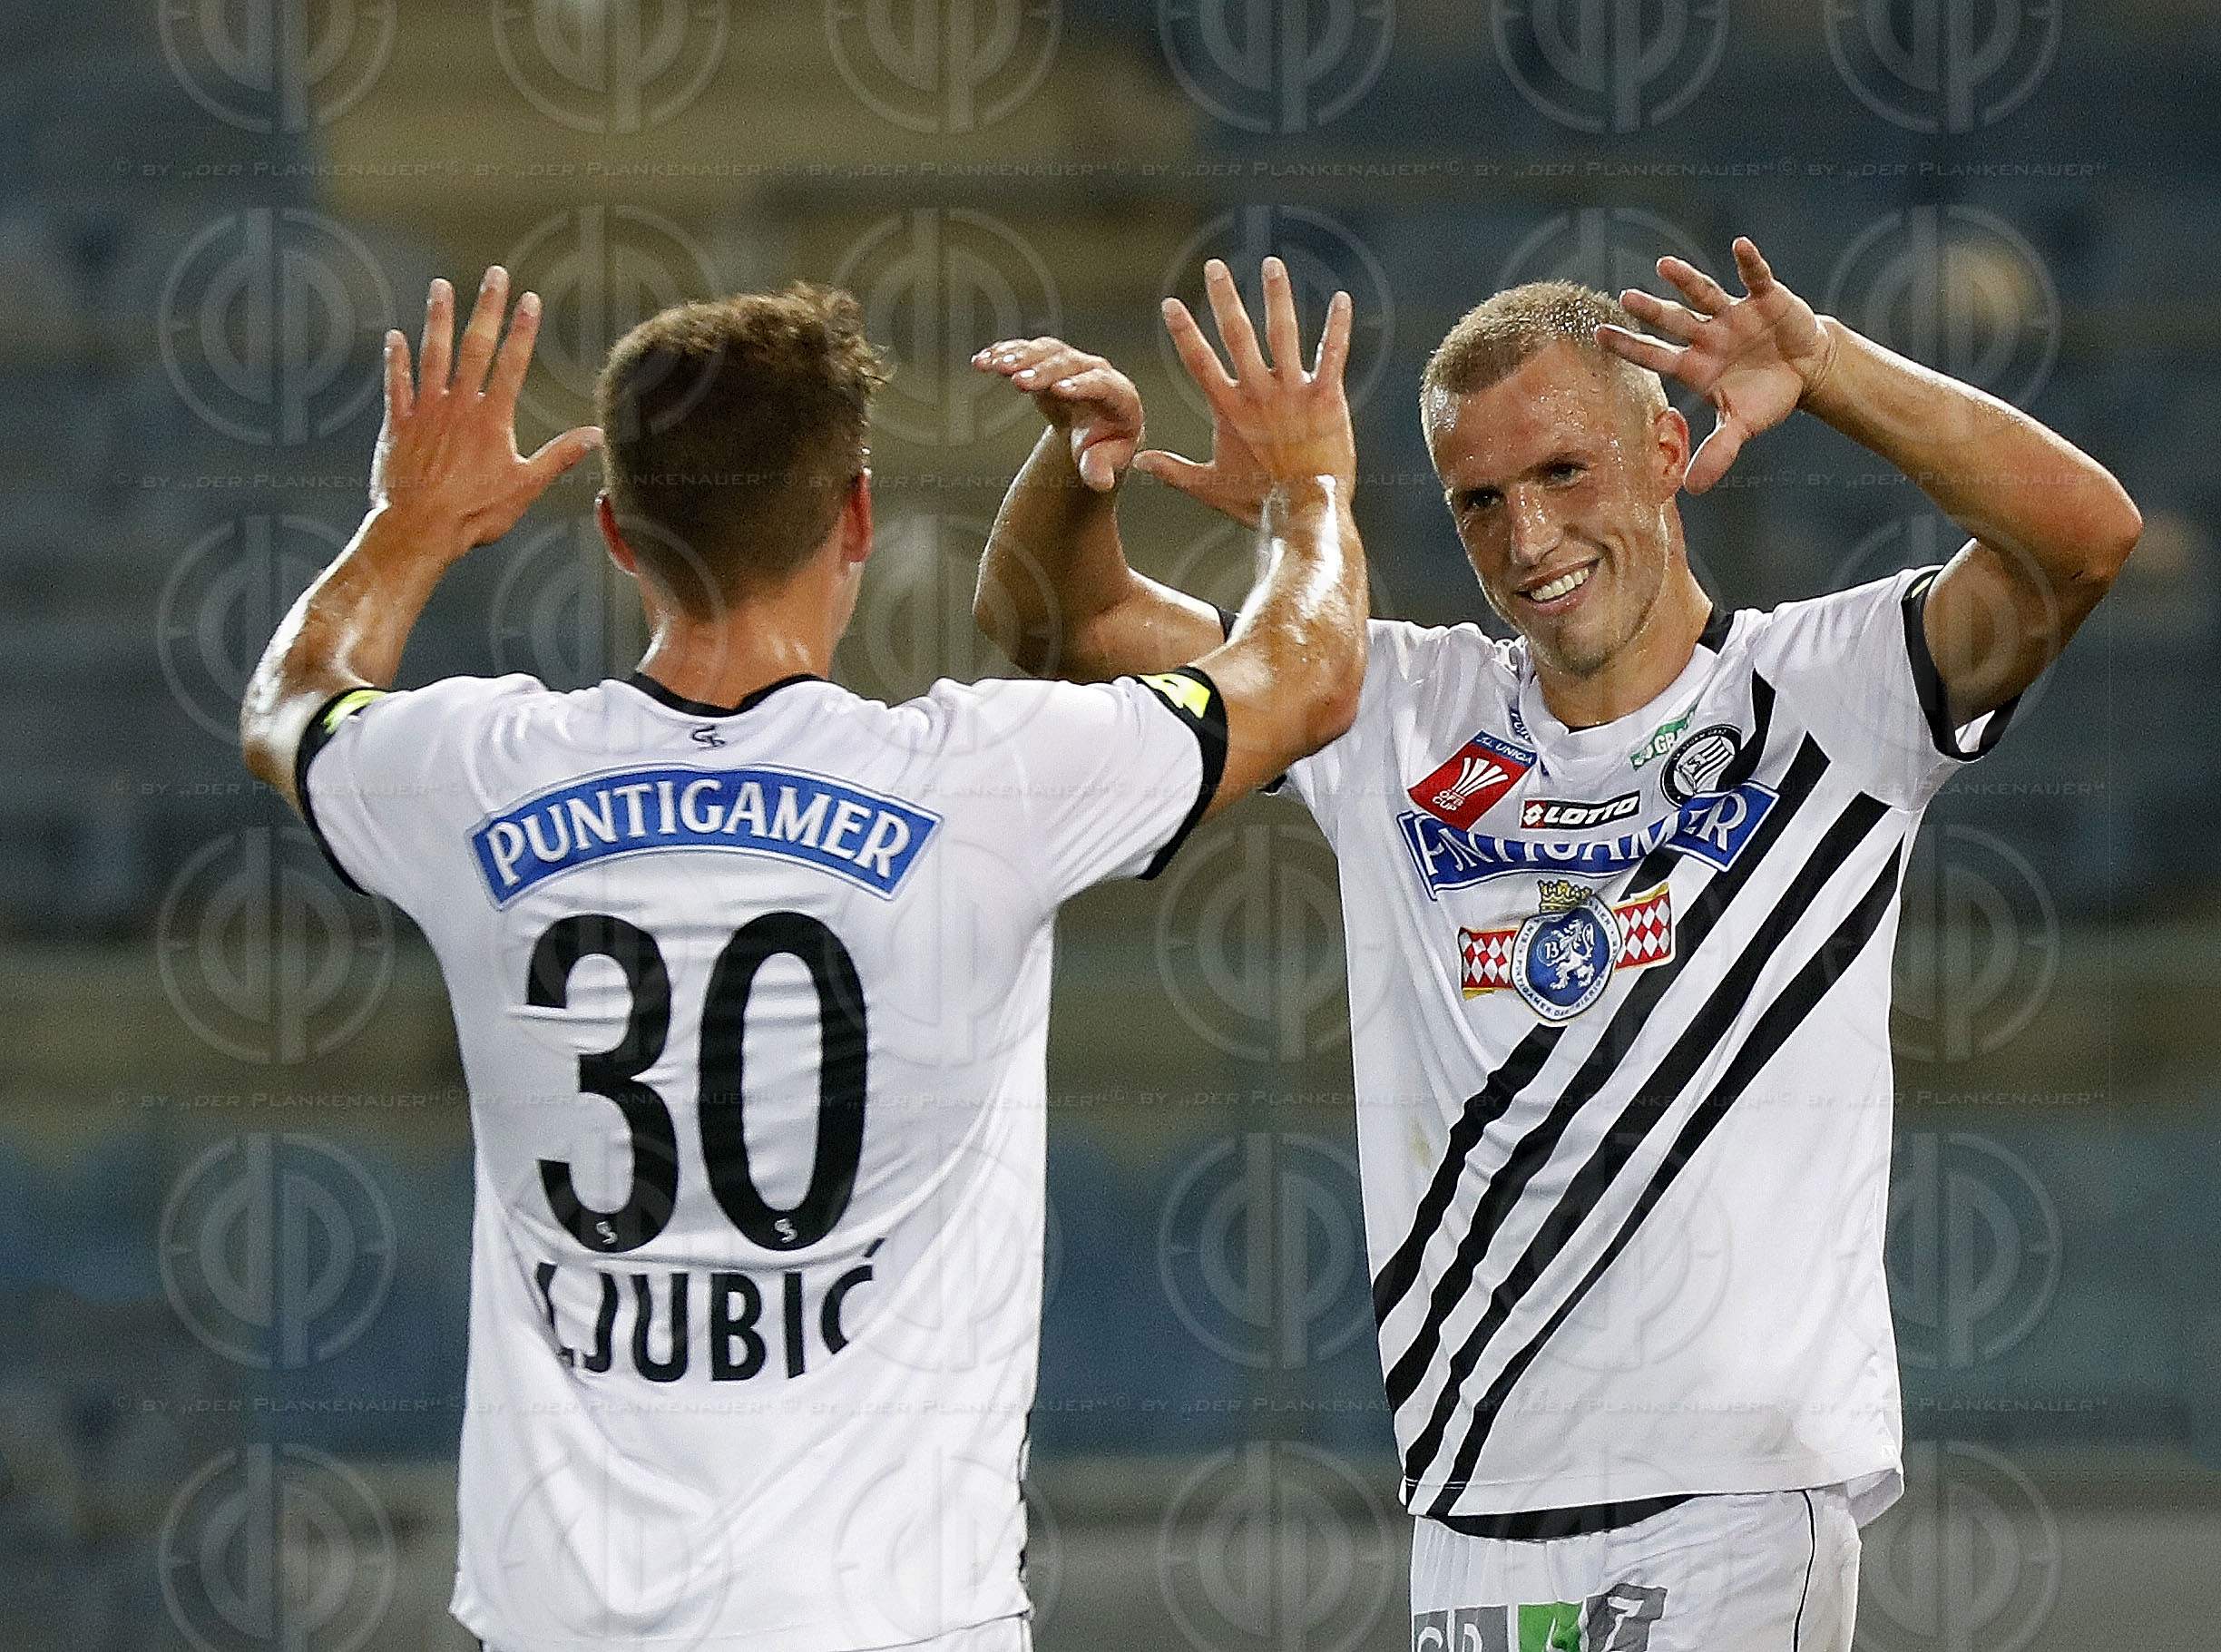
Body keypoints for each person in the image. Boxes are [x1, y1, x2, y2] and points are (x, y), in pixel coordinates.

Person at [971, 237, 2141, 1650]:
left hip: (1730, 1507)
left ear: (1667, 445)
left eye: (1562, 475)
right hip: (1470, 1511)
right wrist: (1080, 468)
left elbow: (2084, 537)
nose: (1526, 539)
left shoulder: (1832, 694)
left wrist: (1826, 368)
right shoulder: (1388, 707)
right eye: (1480, 500)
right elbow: (1056, 622)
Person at [238, 258, 1368, 1652]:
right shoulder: (982, 787)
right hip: (890, 1619)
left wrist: (406, 527)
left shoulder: (475, 778)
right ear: (857, 517)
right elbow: (1308, 674)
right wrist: (1306, 488)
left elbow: (291, 703)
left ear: (615, 532)